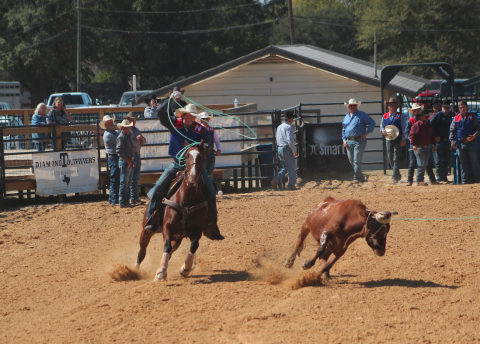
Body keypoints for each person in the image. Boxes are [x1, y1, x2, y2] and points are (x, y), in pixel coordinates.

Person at [144, 91, 223, 240]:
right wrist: (170, 99)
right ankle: (151, 220)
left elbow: (207, 145)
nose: (192, 118)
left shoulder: (201, 130)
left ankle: (212, 225)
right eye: (190, 115)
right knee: (159, 187)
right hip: (176, 164)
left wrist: (197, 146)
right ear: (183, 115)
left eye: (194, 115)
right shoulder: (174, 123)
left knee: (211, 191)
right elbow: (161, 112)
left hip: (194, 166)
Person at [341, 98, 376, 183]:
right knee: (352, 160)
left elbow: (372, 122)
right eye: (351, 106)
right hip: (349, 141)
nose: (352, 107)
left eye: (354, 105)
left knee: (356, 160)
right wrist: (344, 140)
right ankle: (360, 176)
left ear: (356, 106)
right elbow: (344, 129)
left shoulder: (362, 115)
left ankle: (356, 177)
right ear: (348, 107)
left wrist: (366, 133)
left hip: (359, 140)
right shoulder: (346, 117)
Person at [405, 104, 438, 186]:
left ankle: (431, 180)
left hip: (422, 145)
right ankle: (413, 180)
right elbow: (408, 134)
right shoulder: (412, 122)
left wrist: (434, 144)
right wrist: (412, 143)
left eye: (418, 109)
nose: (416, 111)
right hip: (416, 145)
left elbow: (431, 134)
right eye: (415, 110)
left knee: (425, 163)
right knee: (416, 163)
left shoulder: (426, 123)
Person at [449, 101, 480, 184]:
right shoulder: (456, 118)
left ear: (467, 108)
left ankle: (478, 180)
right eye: (461, 107)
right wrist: (452, 141)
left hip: (471, 142)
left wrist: (474, 135)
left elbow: (478, 128)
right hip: (460, 143)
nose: (462, 109)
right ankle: (464, 181)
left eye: (464, 107)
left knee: (474, 162)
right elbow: (452, 131)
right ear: (459, 109)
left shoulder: (472, 116)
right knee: (463, 163)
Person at [380, 98, 406, 183]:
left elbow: (404, 128)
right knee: (390, 157)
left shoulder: (400, 115)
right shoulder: (384, 116)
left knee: (396, 158)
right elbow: (381, 126)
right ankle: (397, 174)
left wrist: (403, 139)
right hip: (388, 138)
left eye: (393, 104)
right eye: (390, 104)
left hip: (398, 139)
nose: (391, 106)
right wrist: (382, 131)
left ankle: (394, 176)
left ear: (396, 106)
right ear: (388, 106)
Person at [124, 112, 146, 204]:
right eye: (131, 119)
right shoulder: (127, 130)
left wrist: (141, 138)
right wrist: (138, 140)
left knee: (135, 177)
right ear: (128, 120)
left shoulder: (136, 130)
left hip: (137, 154)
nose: (133, 121)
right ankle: (131, 198)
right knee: (130, 178)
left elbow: (144, 142)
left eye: (134, 119)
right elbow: (130, 143)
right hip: (131, 155)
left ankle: (134, 198)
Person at [271, 111, 297, 190]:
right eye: (292, 118)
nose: (293, 119)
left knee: (284, 167)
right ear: (290, 118)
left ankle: (276, 180)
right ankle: (291, 185)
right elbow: (290, 141)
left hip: (280, 148)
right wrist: (294, 150)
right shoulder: (289, 127)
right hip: (286, 148)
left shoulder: (279, 126)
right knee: (291, 167)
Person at [430, 99, 453, 183]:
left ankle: (444, 177)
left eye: (447, 107)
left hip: (447, 140)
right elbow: (431, 125)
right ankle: (440, 178)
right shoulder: (438, 115)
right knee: (439, 160)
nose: (446, 109)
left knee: (446, 160)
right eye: (444, 107)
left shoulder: (449, 117)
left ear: (450, 108)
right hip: (439, 141)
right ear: (442, 107)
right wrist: (435, 136)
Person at [116, 119, 135, 208]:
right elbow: (119, 150)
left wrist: (131, 160)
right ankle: (123, 202)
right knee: (125, 182)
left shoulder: (126, 136)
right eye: (126, 128)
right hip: (125, 161)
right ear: (123, 128)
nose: (128, 129)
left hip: (128, 160)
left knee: (127, 182)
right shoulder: (122, 137)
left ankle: (125, 202)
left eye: (128, 127)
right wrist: (128, 160)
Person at [101, 115, 120, 206]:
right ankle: (113, 199)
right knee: (114, 179)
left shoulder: (113, 132)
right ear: (106, 125)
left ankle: (113, 199)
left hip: (114, 156)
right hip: (113, 156)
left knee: (115, 178)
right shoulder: (108, 134)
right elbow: (121, 140)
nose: (111, 124)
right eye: (109, 123)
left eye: (111, 122)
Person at [197, 111, 221, 179]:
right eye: (204, 118)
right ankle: (205, 187)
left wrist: (219, 149)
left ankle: (208, 186)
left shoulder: (211, 130)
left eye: (207, 118)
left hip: (210, 153)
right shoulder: (199, 129)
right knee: (203, 171)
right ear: (201, 120)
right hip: (202, 154)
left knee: (210, 171)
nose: (206, 120)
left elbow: (217, 140)